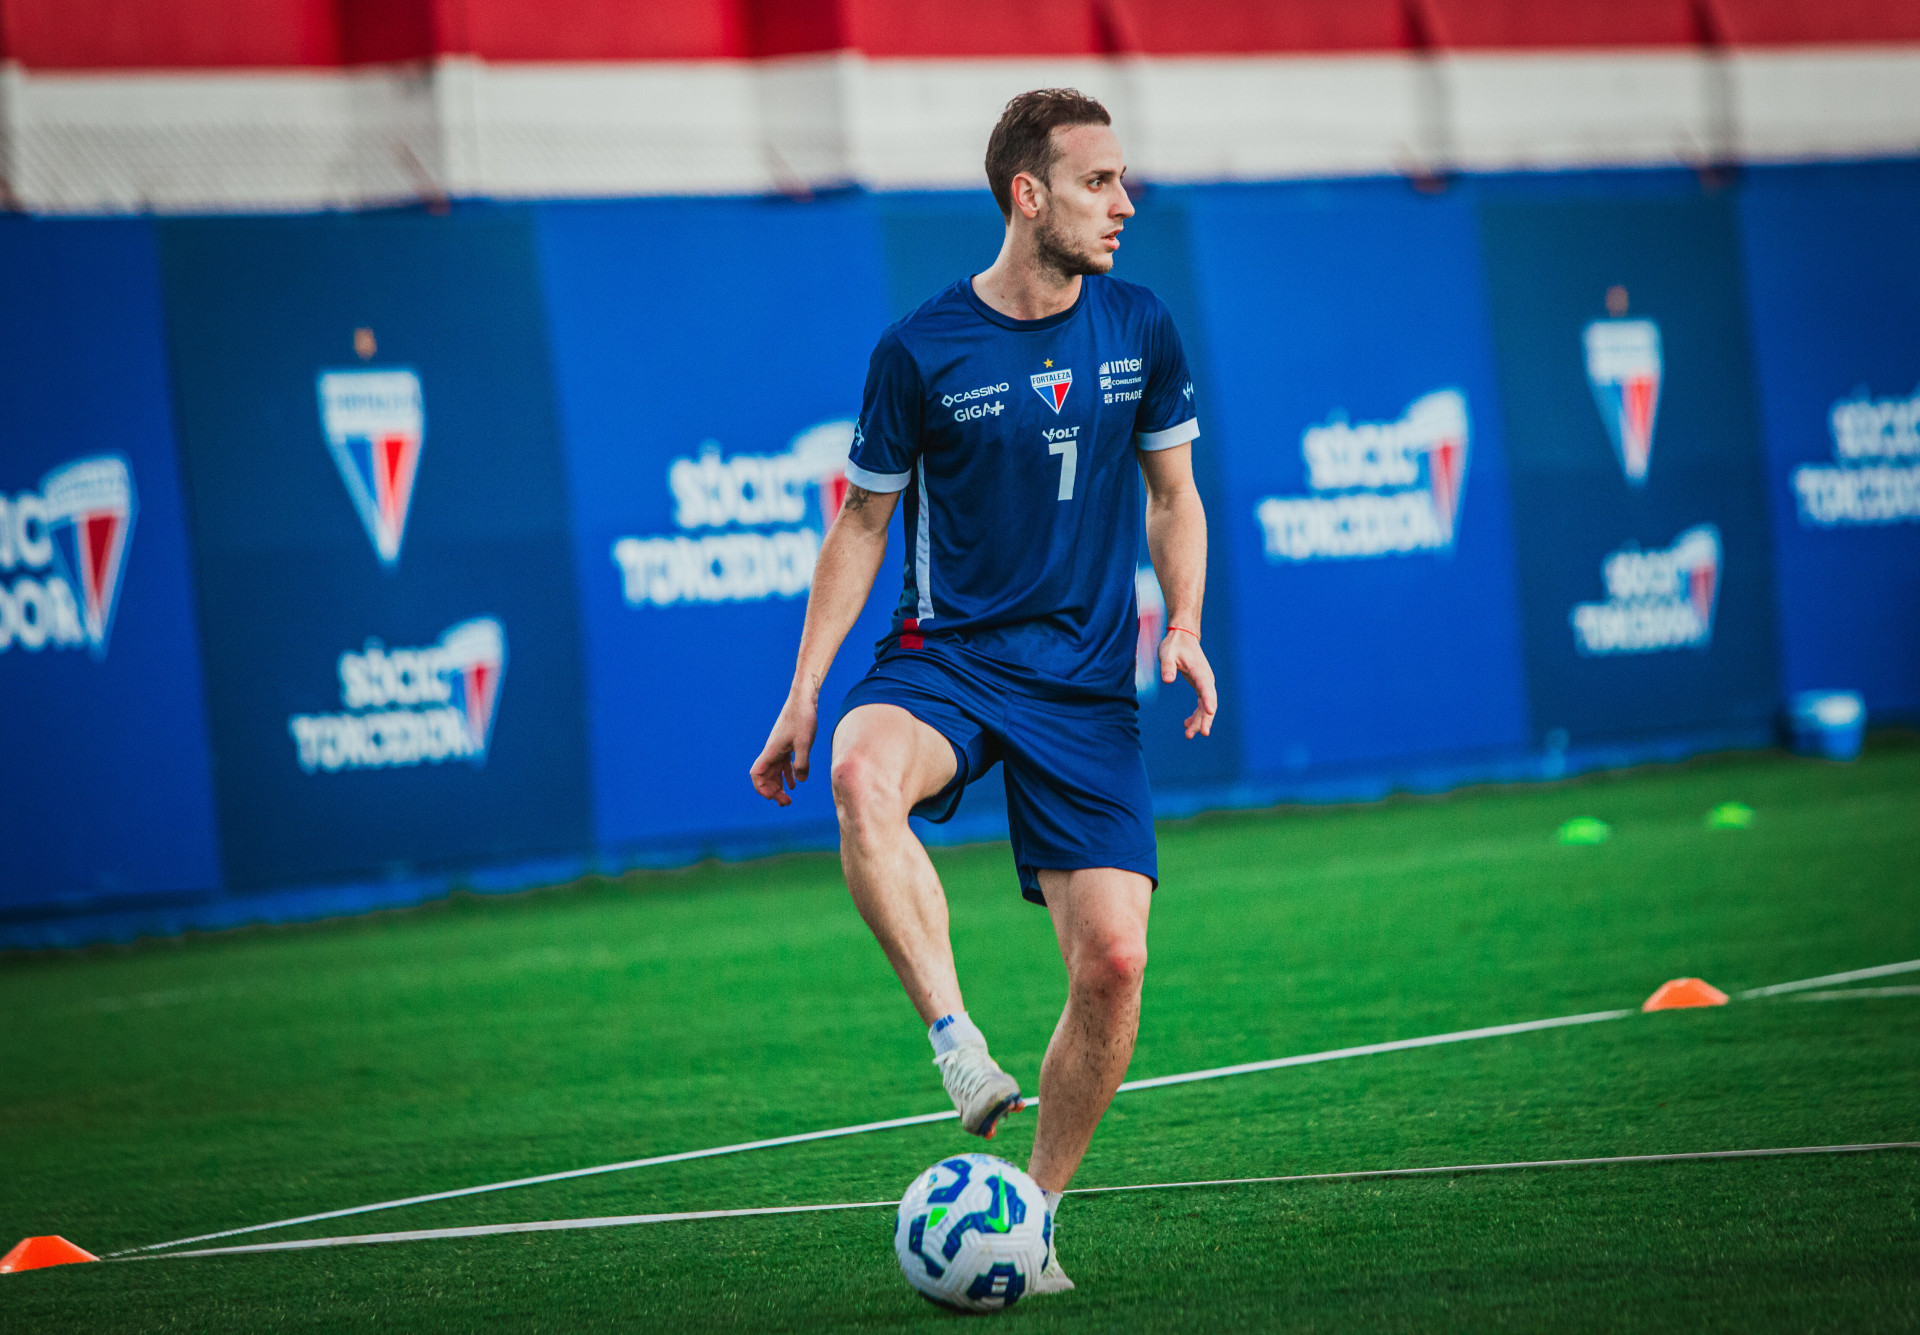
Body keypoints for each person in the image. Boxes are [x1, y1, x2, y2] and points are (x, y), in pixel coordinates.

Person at [749, 87, 1216, 1295]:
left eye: (1121, 180)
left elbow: (1174, 497)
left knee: (1113, 962)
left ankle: (1034, 1220)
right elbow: (861, 522)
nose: (1124, 202)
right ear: (1029, 194)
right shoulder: (921, 350)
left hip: (1083, 688)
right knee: (857, 772)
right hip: (950, 659)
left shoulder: (1141, 325)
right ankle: (956, 1044)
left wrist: (1192, 625)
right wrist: (806, 691)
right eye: (1099, 182)